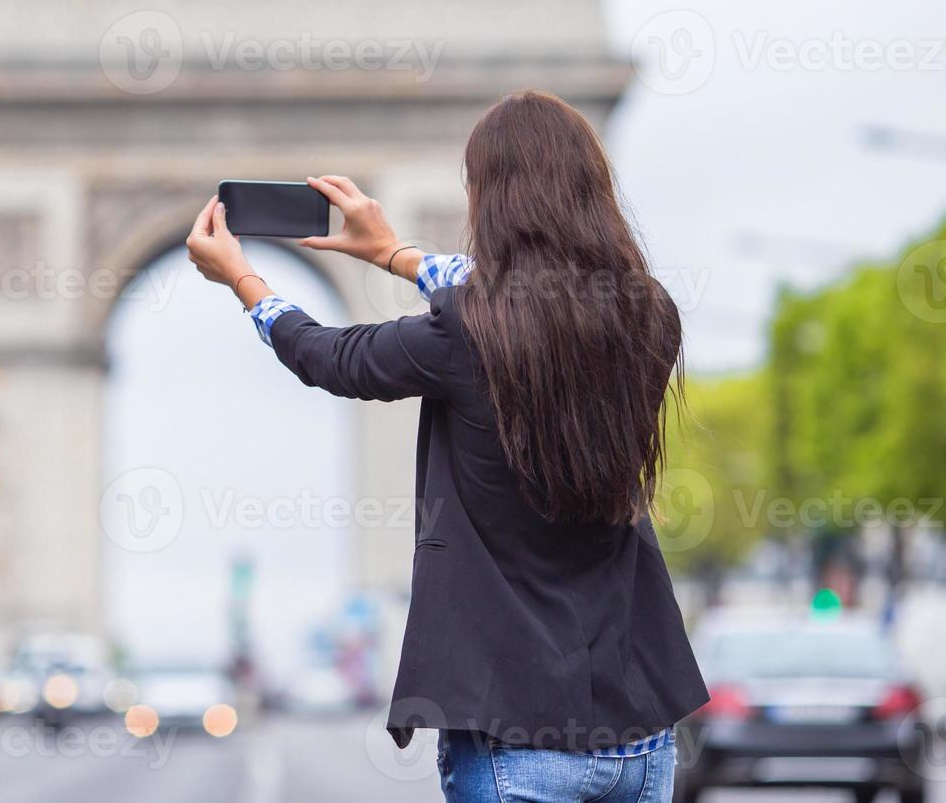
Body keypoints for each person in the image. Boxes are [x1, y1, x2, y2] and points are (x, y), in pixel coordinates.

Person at [185, 90, 707, 802]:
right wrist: (396, 254)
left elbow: (327, 358)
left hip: (510, 732)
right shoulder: (650, 316)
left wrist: (242, 280)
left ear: (486, 200)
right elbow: (535, 303)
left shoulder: (461, 335)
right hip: (639, 734)